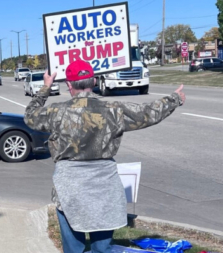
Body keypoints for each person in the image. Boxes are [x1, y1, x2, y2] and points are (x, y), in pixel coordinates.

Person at [24, 60, 185, 253]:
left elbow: (30, 115)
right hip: (104, 185)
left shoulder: (57, 112)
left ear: (69, 84)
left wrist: (46, 86)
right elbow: (148, 113)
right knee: (103, 248)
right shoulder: (113, 110)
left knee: (73, 248)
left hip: (69, 187)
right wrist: (174, 98)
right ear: (93, 82)